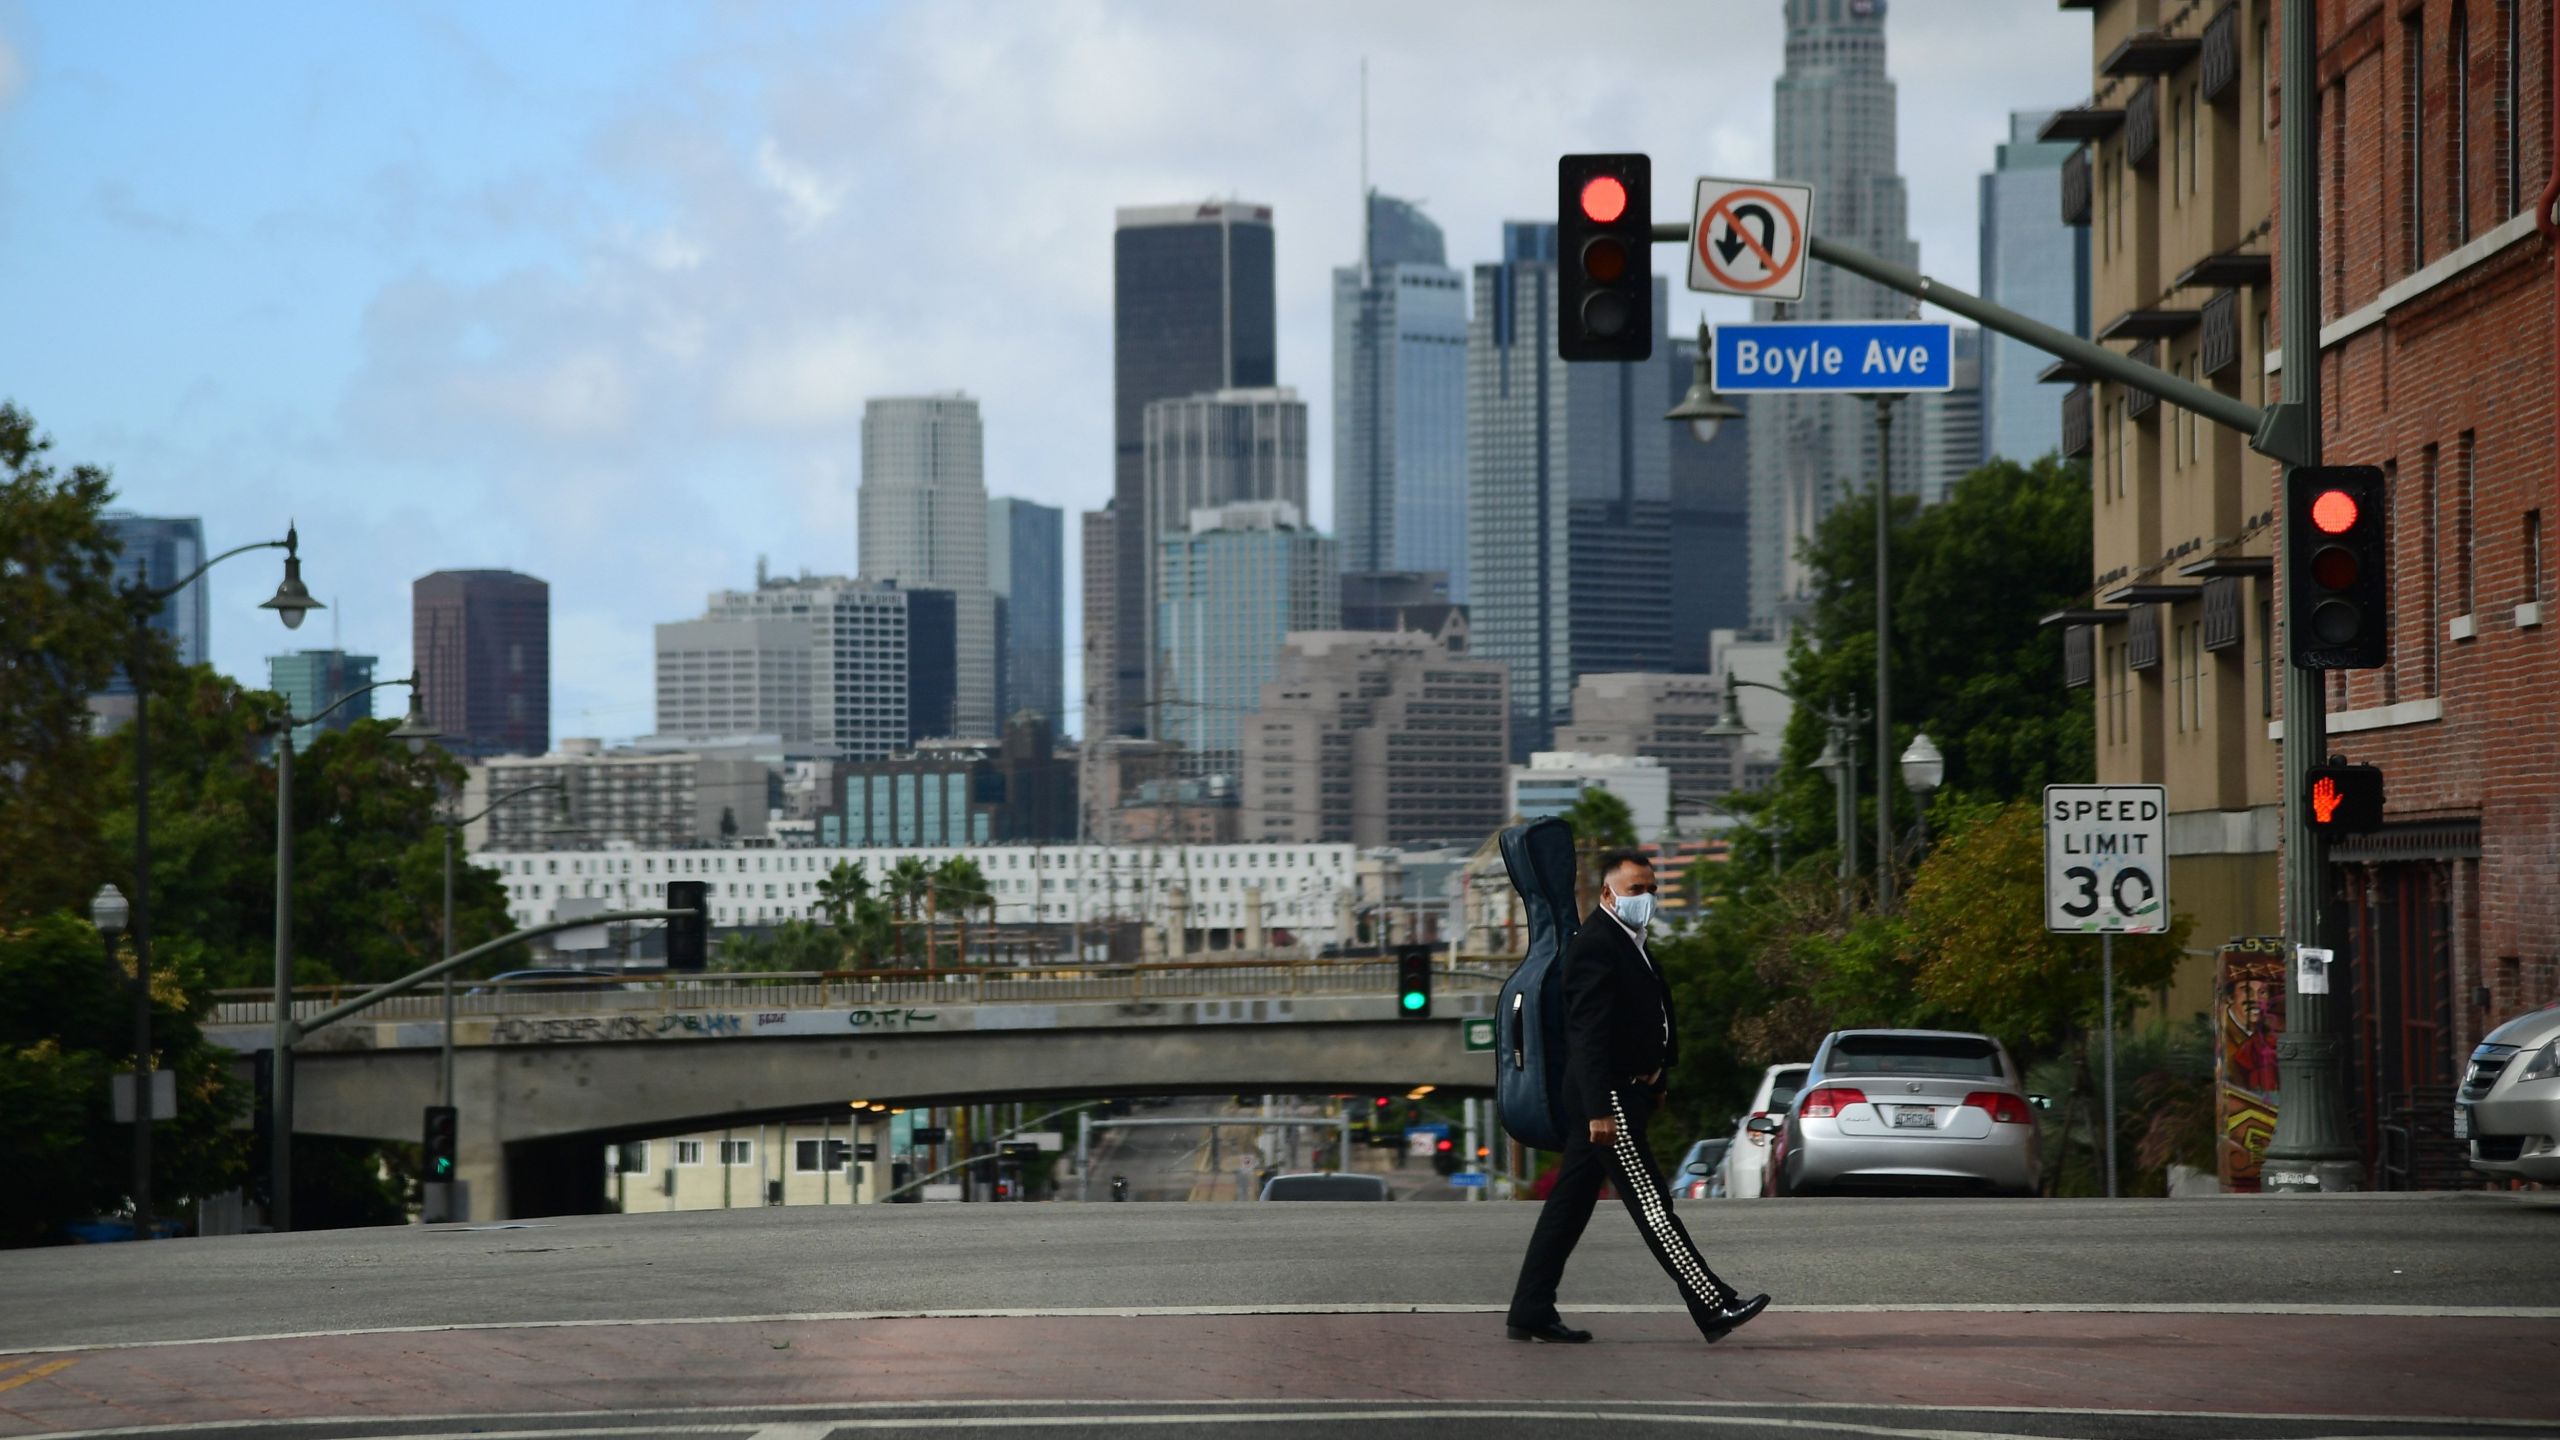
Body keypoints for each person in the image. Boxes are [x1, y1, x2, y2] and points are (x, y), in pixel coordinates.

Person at [1505, 848, 1770, 1345]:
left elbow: (1653, 1018)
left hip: (1627, 1091)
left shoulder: (1631, 942)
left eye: (1650, 889)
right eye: (1634, 890)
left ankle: (1530, 1308)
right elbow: (1587, 1037)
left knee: (1569, 1207)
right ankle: (1713, 1304)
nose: (1645, 898)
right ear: (1608, 893)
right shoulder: (1596, 945)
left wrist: (1659, 1077)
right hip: (1607, 1098)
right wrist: (1601, 1109)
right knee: (1652, 1204)